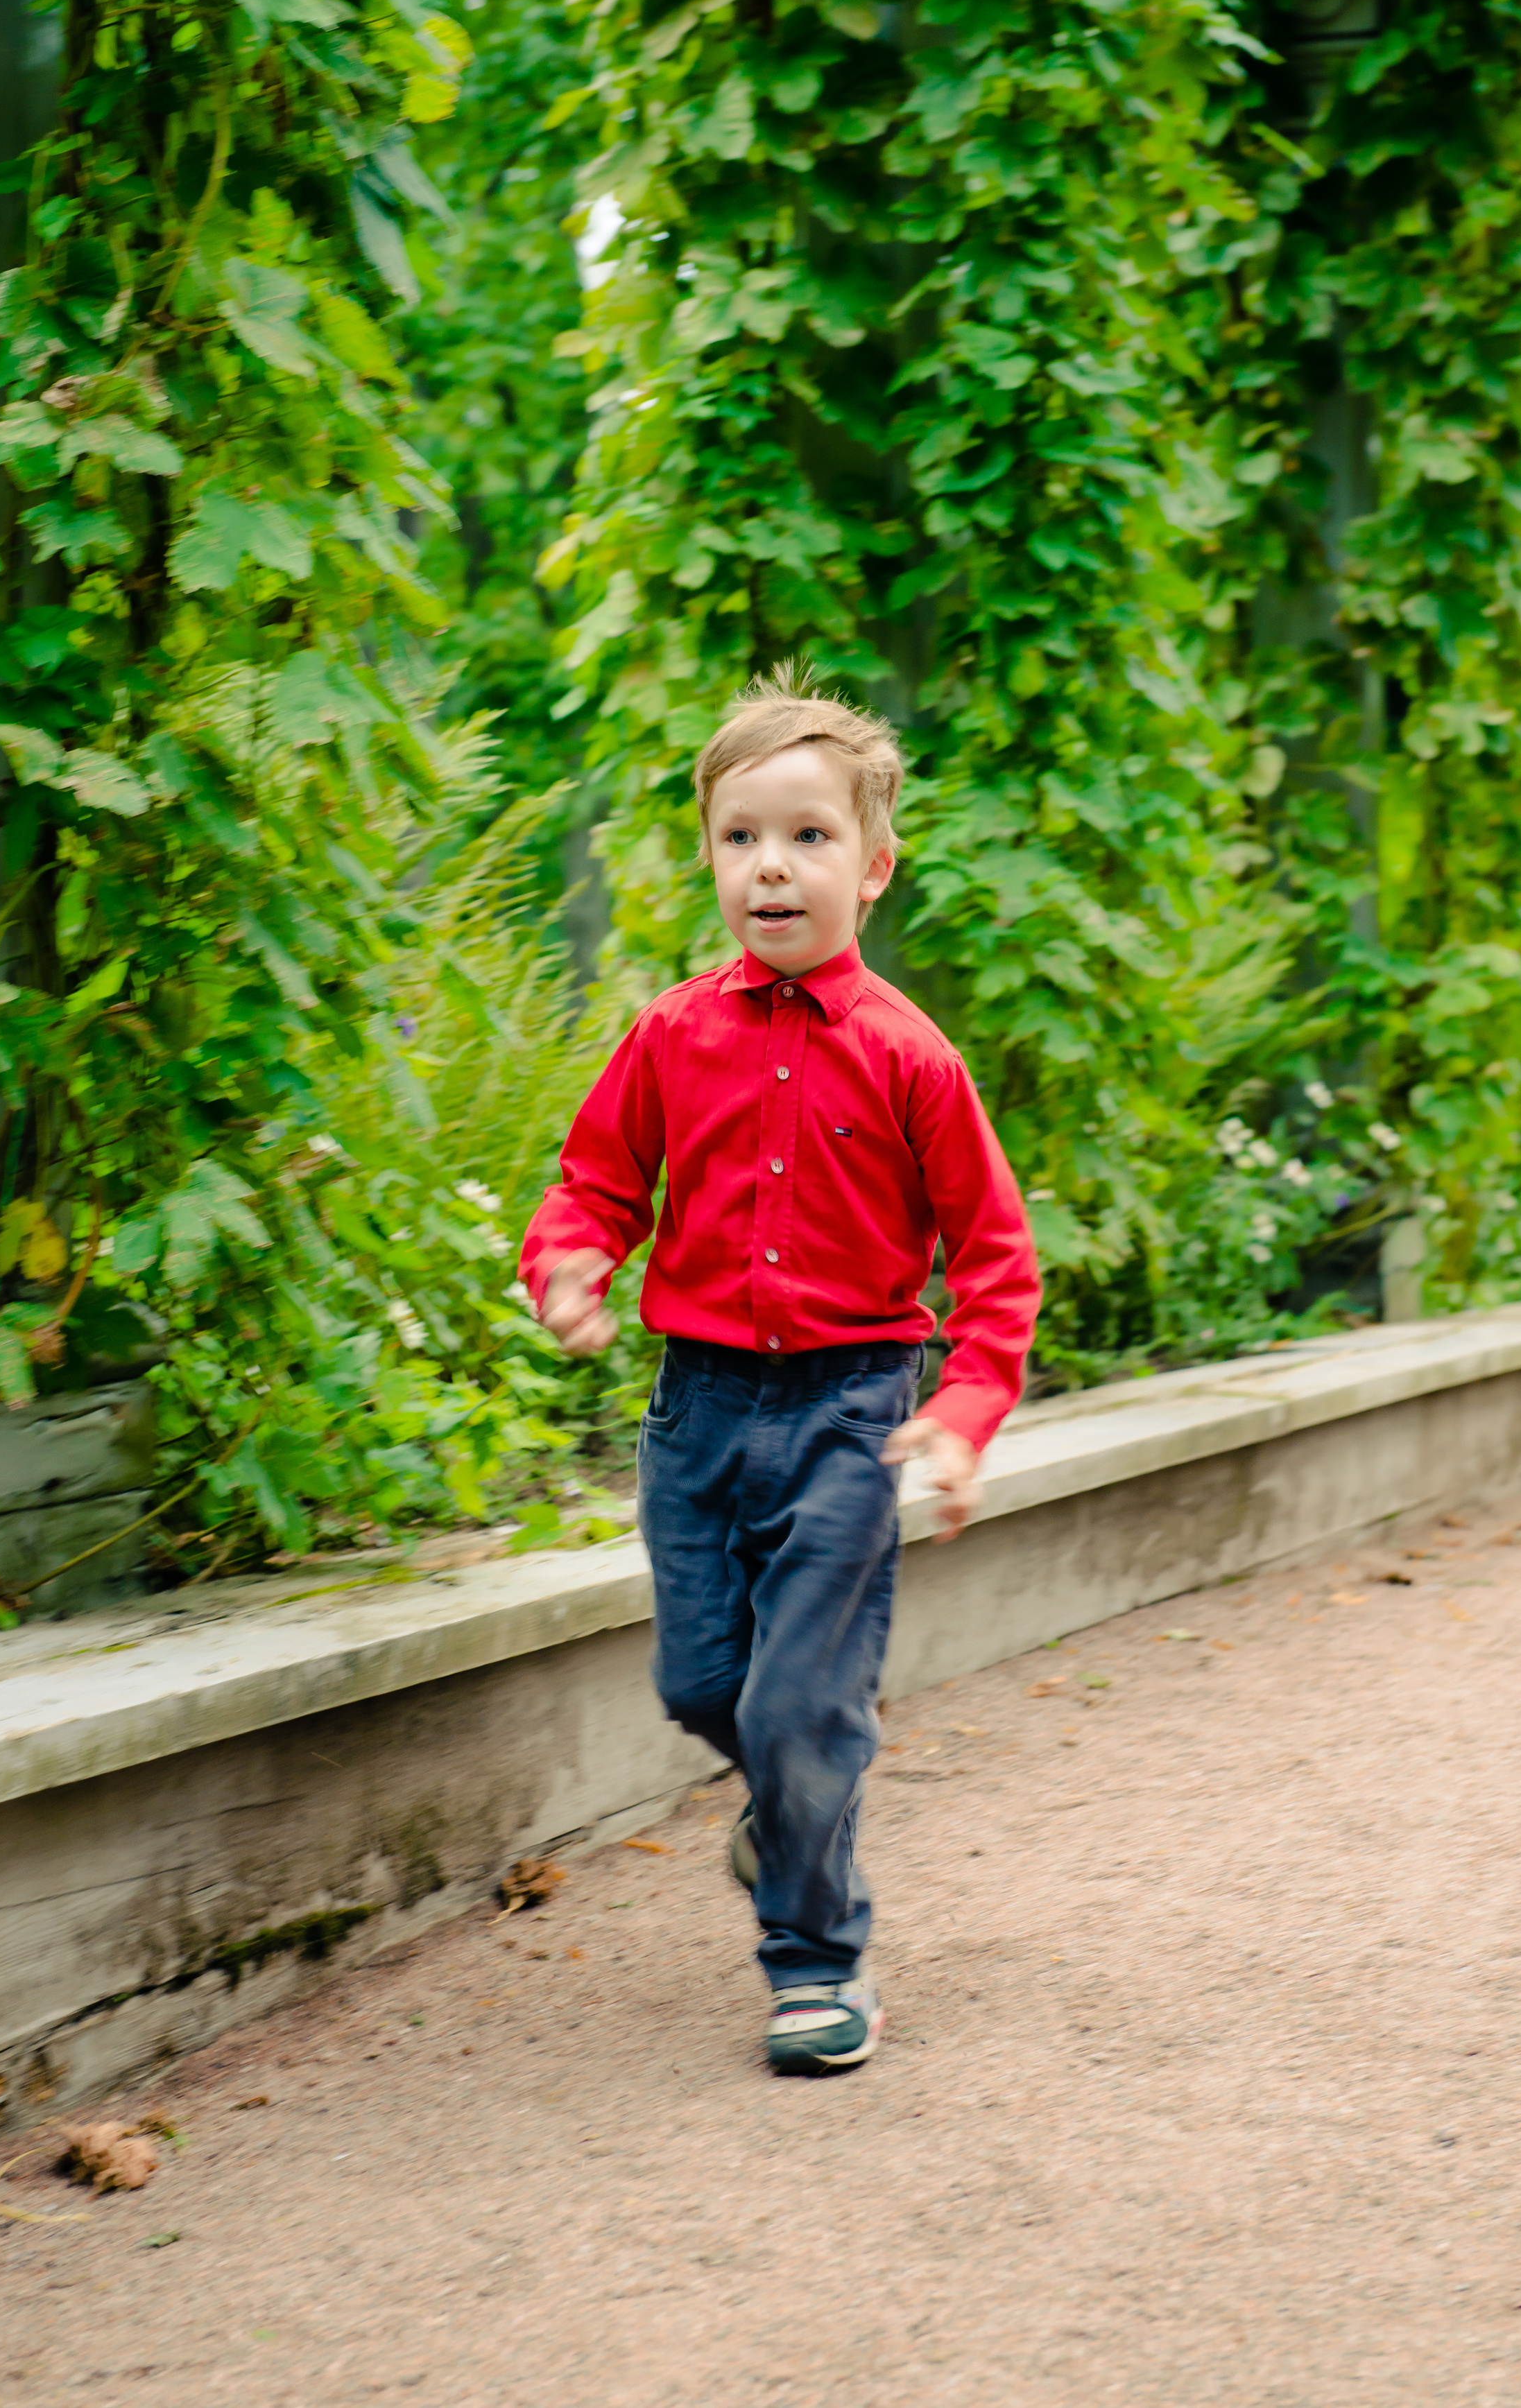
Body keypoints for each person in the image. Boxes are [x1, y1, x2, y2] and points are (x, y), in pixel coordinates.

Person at [519, 668, 1040, 2074]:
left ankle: (815, 1957)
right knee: (704, 1686)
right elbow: (595, 1182)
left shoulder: (911, 1058)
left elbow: (995, 1264)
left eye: (808, 837)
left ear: (870, 868)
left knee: (800, 1701)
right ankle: (785, 1806)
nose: (772, 865)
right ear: (709, 857)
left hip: (853, 1414)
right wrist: (568, 1263)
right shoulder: (670, 1036)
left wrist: (957, 1414)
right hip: (695, 1412)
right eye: (743, 835)